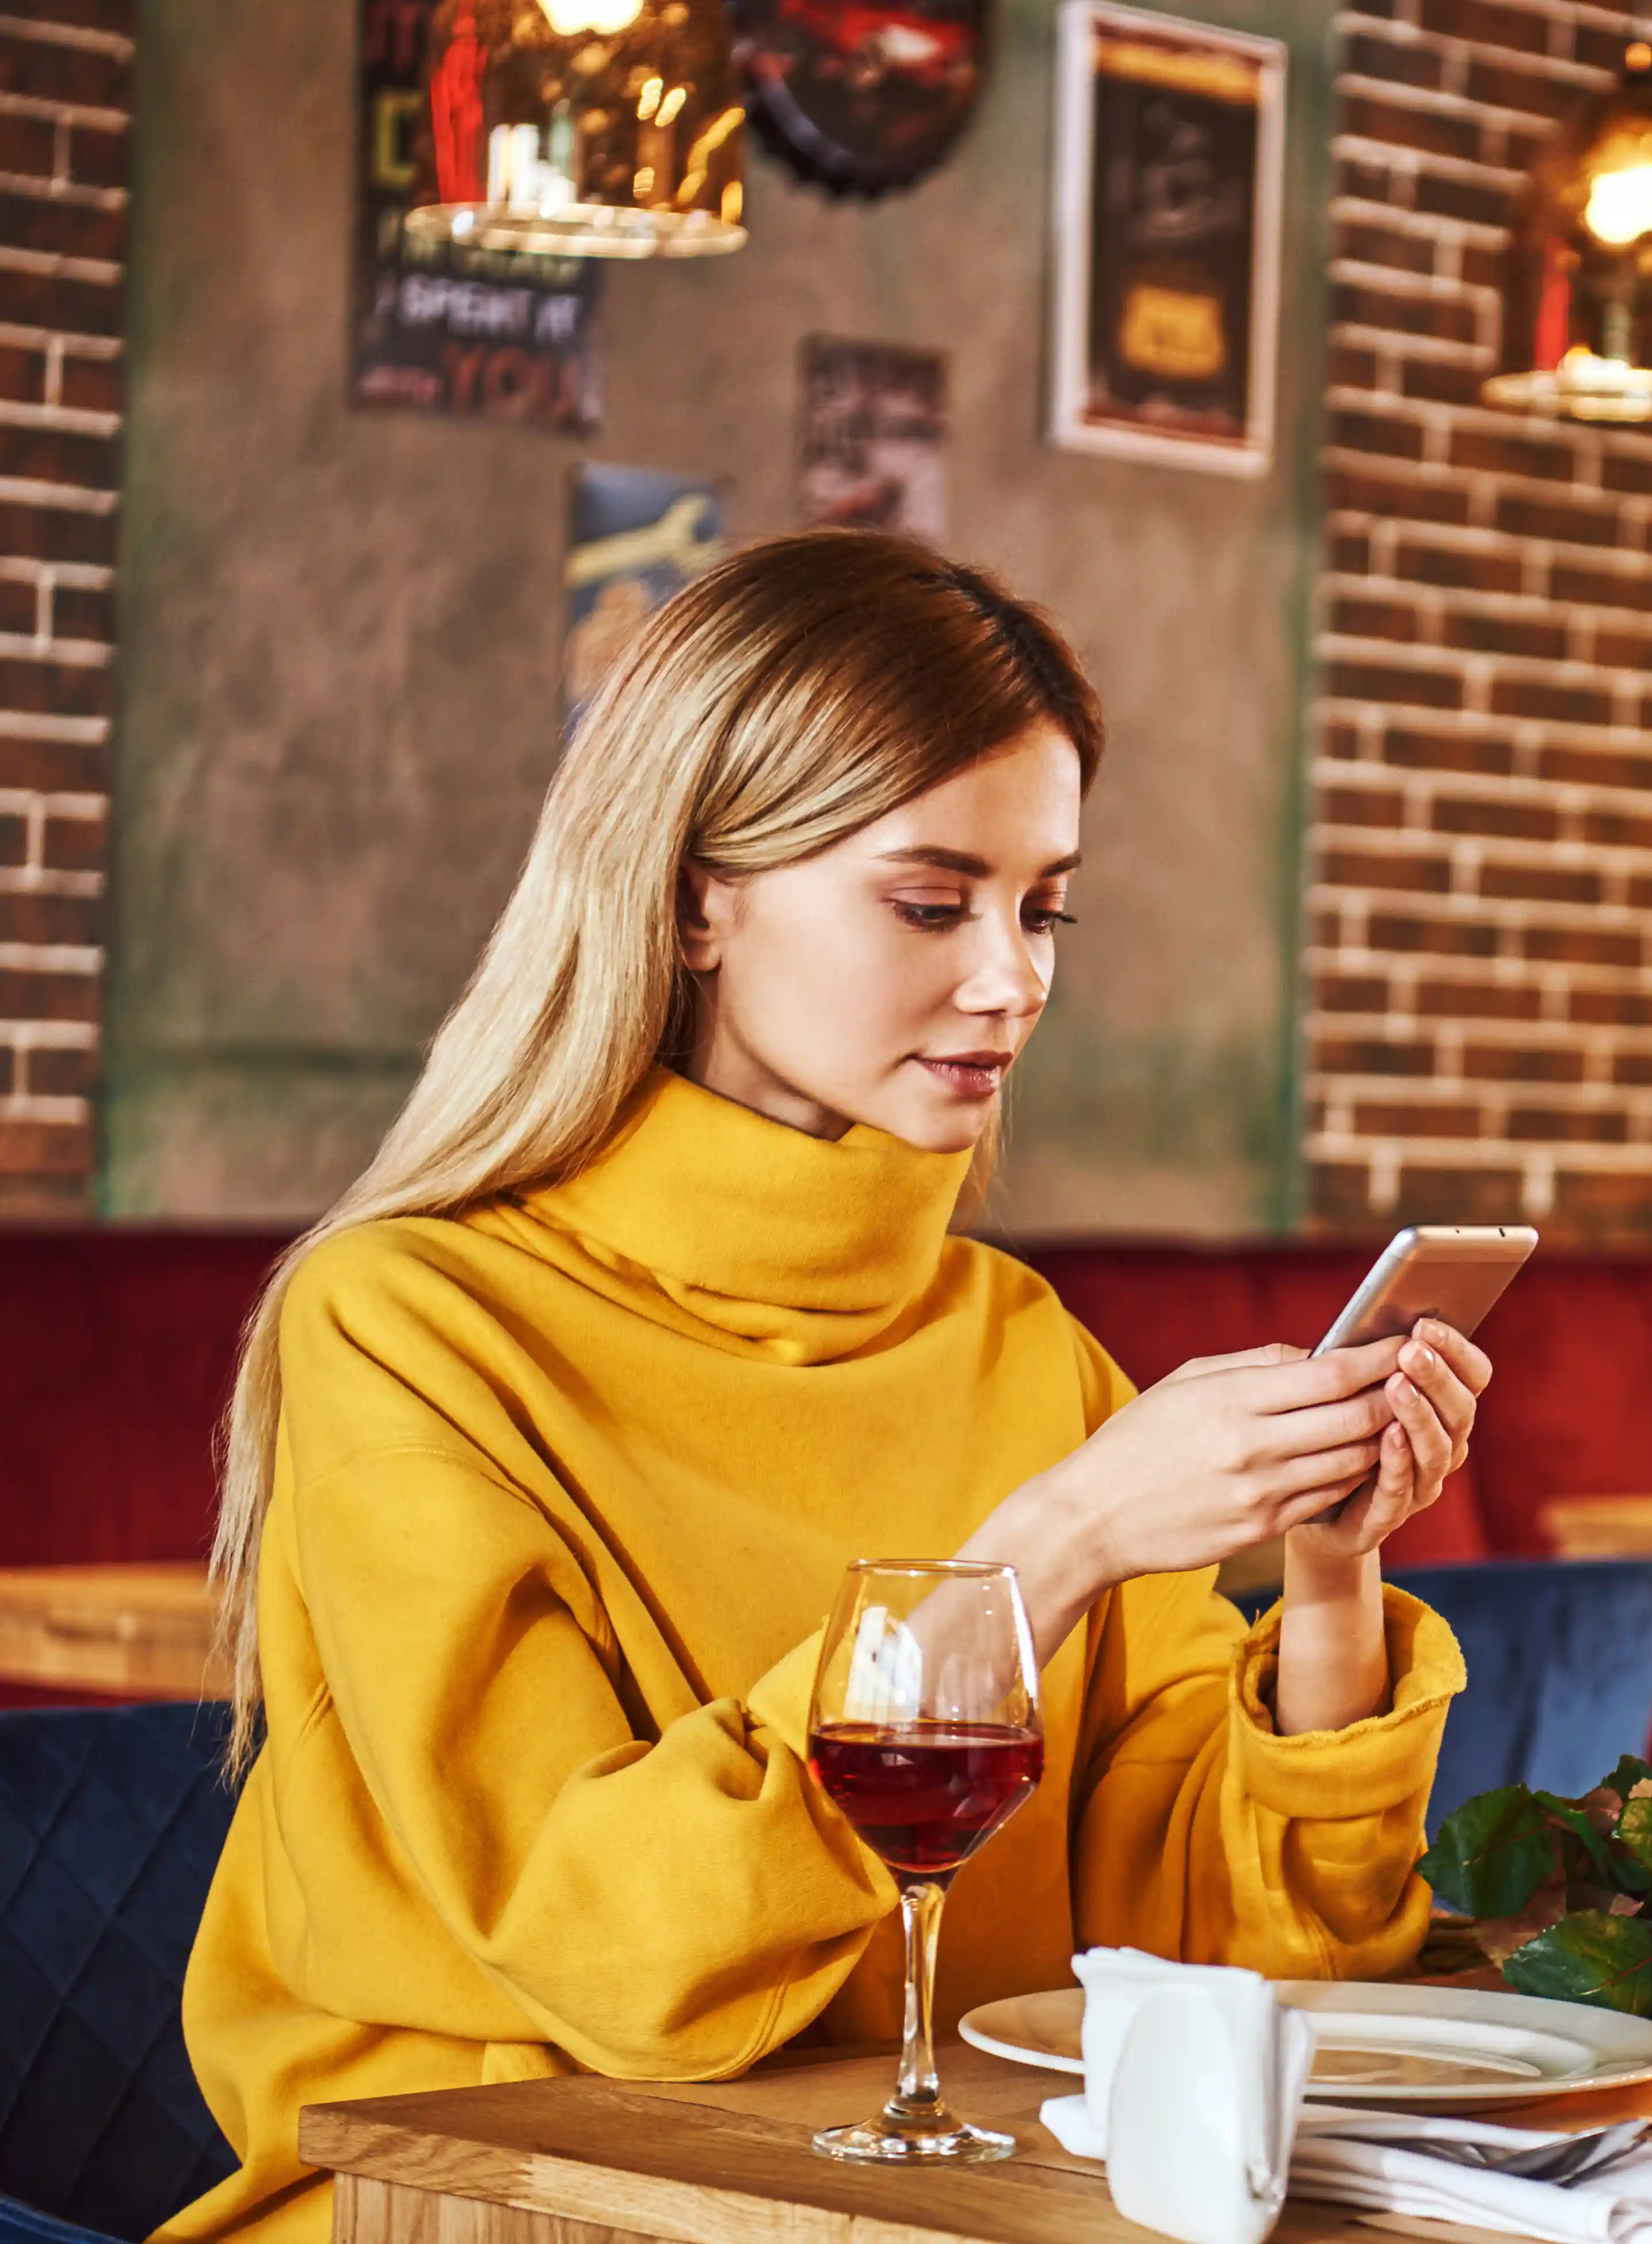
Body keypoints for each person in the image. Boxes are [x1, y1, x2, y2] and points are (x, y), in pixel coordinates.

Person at [168, 534, 1485, 2244]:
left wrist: (1329, 1566)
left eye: (1043, 907)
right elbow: (613, 1956)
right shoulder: (409, 1326)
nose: (1010, 977)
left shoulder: (1022, 1342)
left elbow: (1222, 1974)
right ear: (696, 896)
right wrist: (1058, 1540)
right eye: (932, 901)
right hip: (486, 2214)